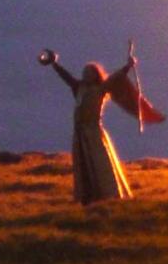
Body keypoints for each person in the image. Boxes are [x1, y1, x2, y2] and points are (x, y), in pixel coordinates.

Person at [40, 48, 137, 204]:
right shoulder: (79, 88)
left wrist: (128, 66)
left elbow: (115, 78)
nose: (86, 75)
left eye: (89, 72)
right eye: (84, 72)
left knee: (100, 163)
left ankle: (108, 195)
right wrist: (54, 64)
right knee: (83, 164)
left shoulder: (100, 89)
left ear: (95, 75)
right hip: (80, 133)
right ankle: (87, 197)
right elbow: (67, 77)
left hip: (93, 133)